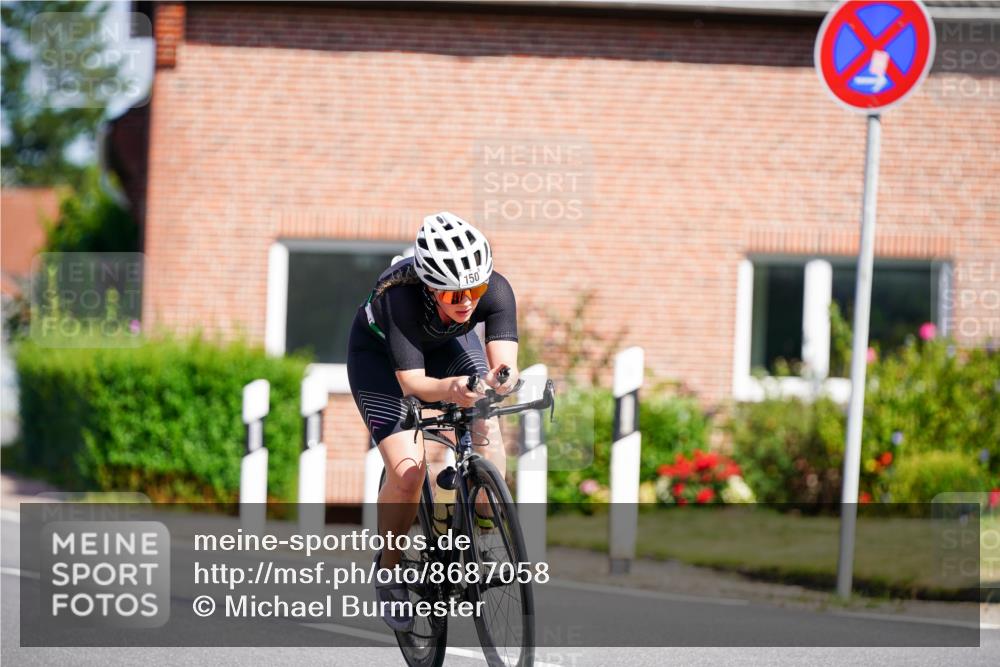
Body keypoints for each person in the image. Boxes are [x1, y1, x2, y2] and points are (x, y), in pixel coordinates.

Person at [346, 212, 519, 631]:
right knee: (408, 473)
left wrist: (502, 381)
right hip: (383, 363)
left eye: (473, 290)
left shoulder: (494, 289)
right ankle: (388, 572)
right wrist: (453, 389)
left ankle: (482, 523)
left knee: (486, 423)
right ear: (429, 286)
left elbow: (504, 367)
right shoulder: (399, 297)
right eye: (452, 295)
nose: (467, 302)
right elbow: (412, 383)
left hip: (445, 347)